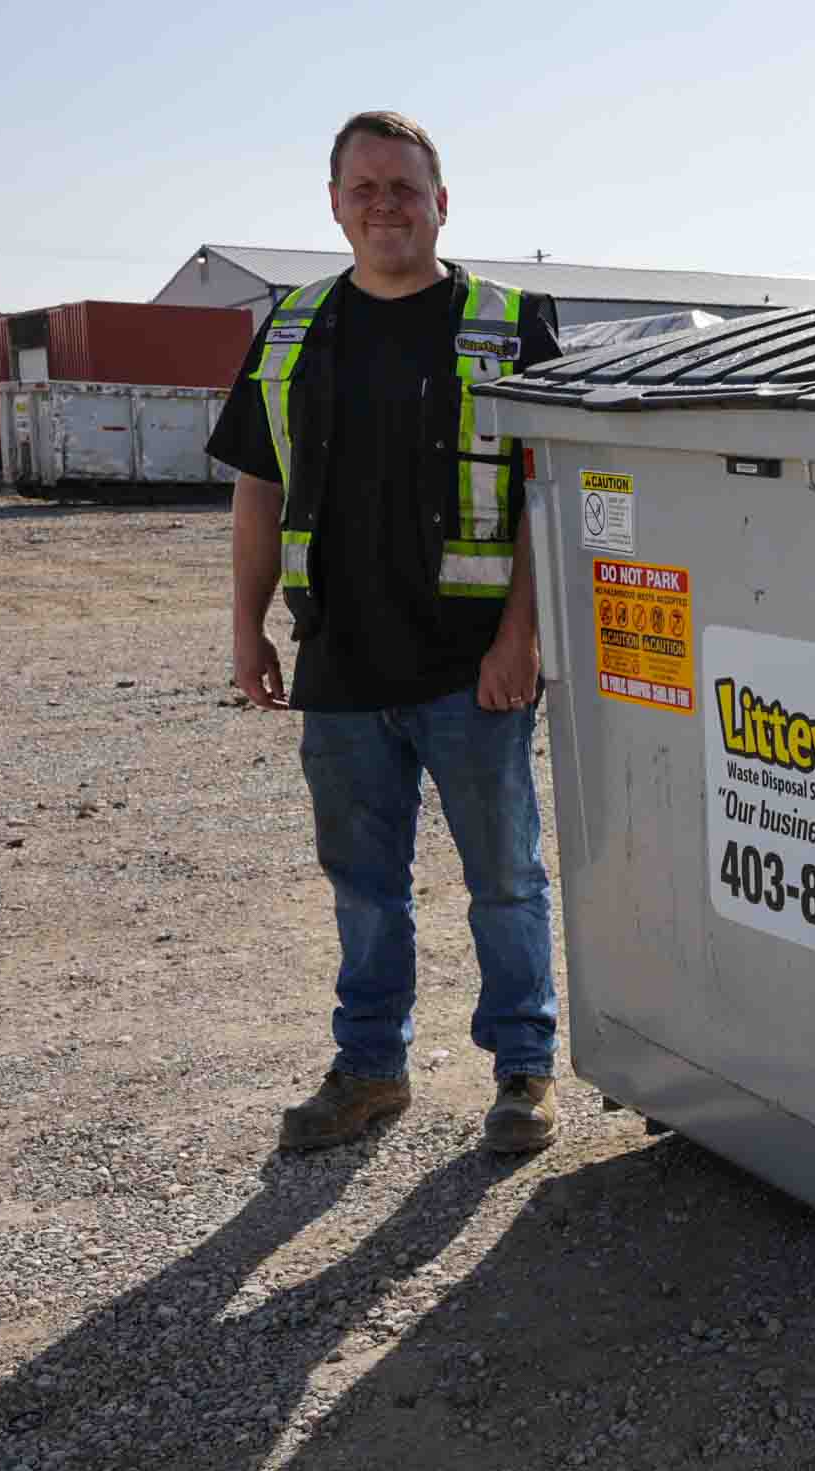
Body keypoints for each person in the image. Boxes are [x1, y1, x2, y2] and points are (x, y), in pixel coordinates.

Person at [208, 111, 565, 1155]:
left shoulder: (511, 324)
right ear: (334, 206)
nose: (384, 206)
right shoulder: (291, 330)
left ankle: (524, 1072)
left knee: (506, 884)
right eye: (362, 189)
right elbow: (259, 486)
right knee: (366, 892)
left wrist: (523, 637)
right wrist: (246, 625)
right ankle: (371, 1071)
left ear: (441, 202)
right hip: (342, 669)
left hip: (473, 670)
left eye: (404, 188)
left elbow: (548, 494)